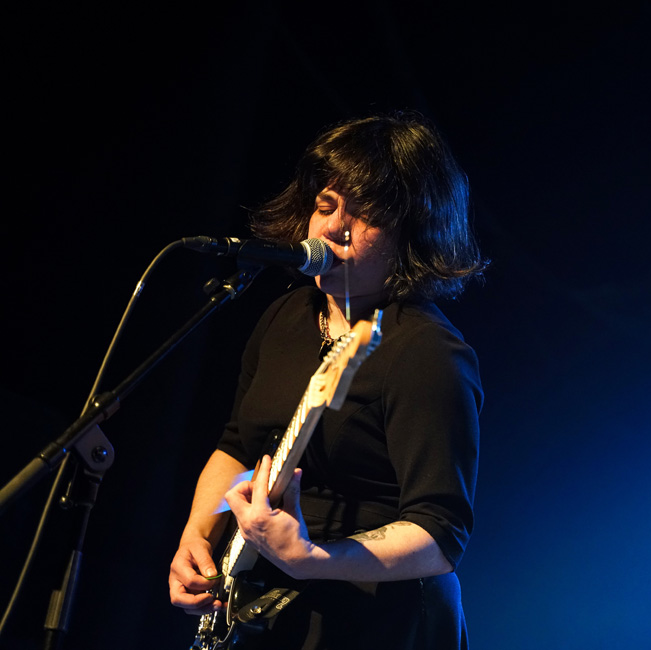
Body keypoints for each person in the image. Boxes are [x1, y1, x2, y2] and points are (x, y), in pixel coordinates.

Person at [168, 111, 486, 649]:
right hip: (267, 607)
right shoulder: (287, 317)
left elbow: (439, 533)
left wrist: (315, 559)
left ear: (412, 235)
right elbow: (236, 446)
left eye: (364, 217)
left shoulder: (427, 352)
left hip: (374, 620)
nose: (333, 229)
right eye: (325, 205)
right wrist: (197, 535)